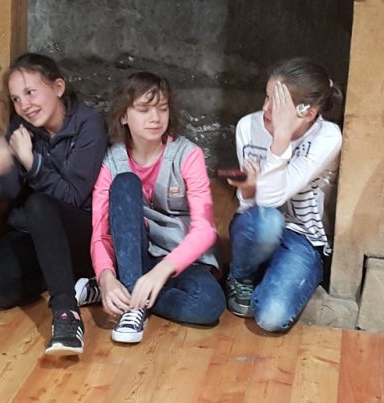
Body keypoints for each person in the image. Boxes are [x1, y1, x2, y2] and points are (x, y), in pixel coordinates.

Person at [0, 53, 107, 356]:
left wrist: (30, 161)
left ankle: (66, 313)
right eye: (16, 99)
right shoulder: (21, 129)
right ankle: (74, 279)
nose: (25, 105)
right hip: (37, 231)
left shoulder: (88, 125)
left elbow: (72, 196)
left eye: (31, 92)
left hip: (80, 230)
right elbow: (5, 197)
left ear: (58, 87)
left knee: (38, 204)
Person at [90, 71, 225, 344]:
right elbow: (100, 232)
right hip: (135, 257)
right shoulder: (112, 160)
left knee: (208, 305)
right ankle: (132, 305)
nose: (155, 118)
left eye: (162, 108)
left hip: (180, 261)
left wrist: (160, 273)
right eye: (144, 109)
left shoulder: (188, 154)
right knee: (124, 183)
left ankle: (130, 295)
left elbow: (205, 230)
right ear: (124, 116)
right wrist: (105, 277)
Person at [225, 57, 343, 333]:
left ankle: (273, 276)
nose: (266, 109)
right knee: (268, 221)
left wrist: (280, 139)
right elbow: (257, 204)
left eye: (278, 105)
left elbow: (275, 196)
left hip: (302, 236)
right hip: (259, 222)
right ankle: (241, 277)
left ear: (308, 113)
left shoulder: (327, 137)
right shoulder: (248, 126)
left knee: (271, 317)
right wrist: (247, 189)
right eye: (267, 97)